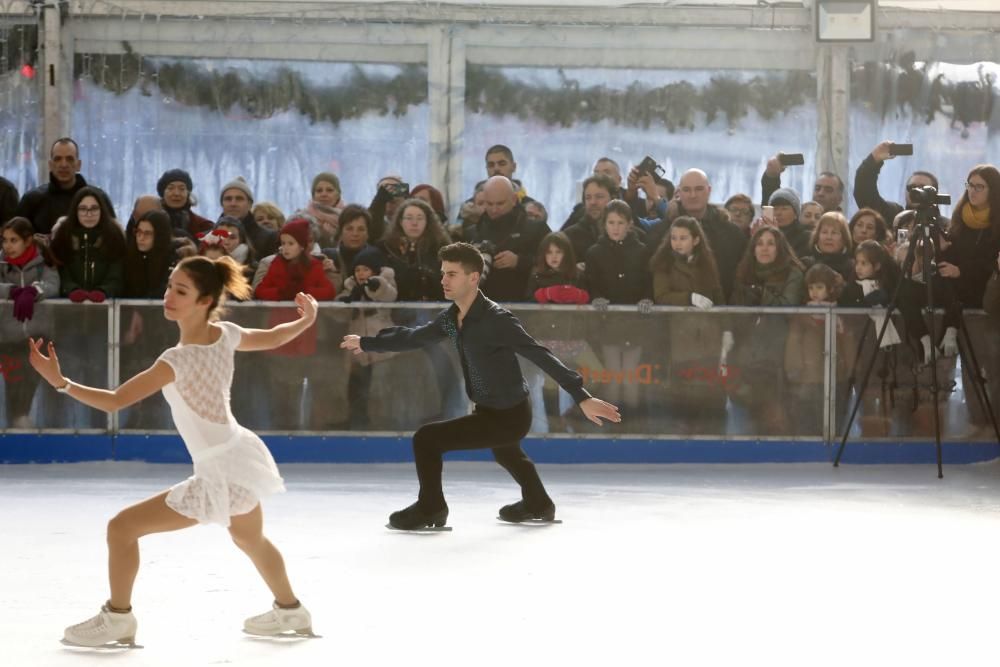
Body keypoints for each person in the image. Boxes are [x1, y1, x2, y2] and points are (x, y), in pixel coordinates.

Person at [28, 255, 317, 646]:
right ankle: (290, 609)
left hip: (221, 468)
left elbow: (115, 401)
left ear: (204, 300)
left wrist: (61, 383)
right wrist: (305, 320)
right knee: (250, 540)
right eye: (169, 286)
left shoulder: (176, 360)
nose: (169, 296)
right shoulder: (226, 334)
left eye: (181, 291)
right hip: (238, 454)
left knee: (122, 528)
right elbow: (274, 337)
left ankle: (118, 618)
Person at [340, 242, 621, 530]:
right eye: (443, 273)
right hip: (492, 409)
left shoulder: (496, 320)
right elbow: (417, 337)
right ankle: (538, 502)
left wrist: (580, 395)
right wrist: (368, 342)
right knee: (506, 452)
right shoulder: (454, 319)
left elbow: (540, 354)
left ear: (473, 278)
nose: (443, 280)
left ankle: (431, 508)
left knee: (426, 440)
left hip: (509, 414)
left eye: (451, 274)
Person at [0, 217, 59, 428]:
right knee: (13, 386)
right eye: (5, 240)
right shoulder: (2, 264)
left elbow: (54, 284)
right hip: (8, 339)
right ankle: (18, 423)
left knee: (29, 380)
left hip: (38, 337)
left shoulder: (44, 262)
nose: (7, 246)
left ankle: (22, 422)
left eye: (13, 240)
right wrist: (12, 291)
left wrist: (34, 291)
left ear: (27, 240)